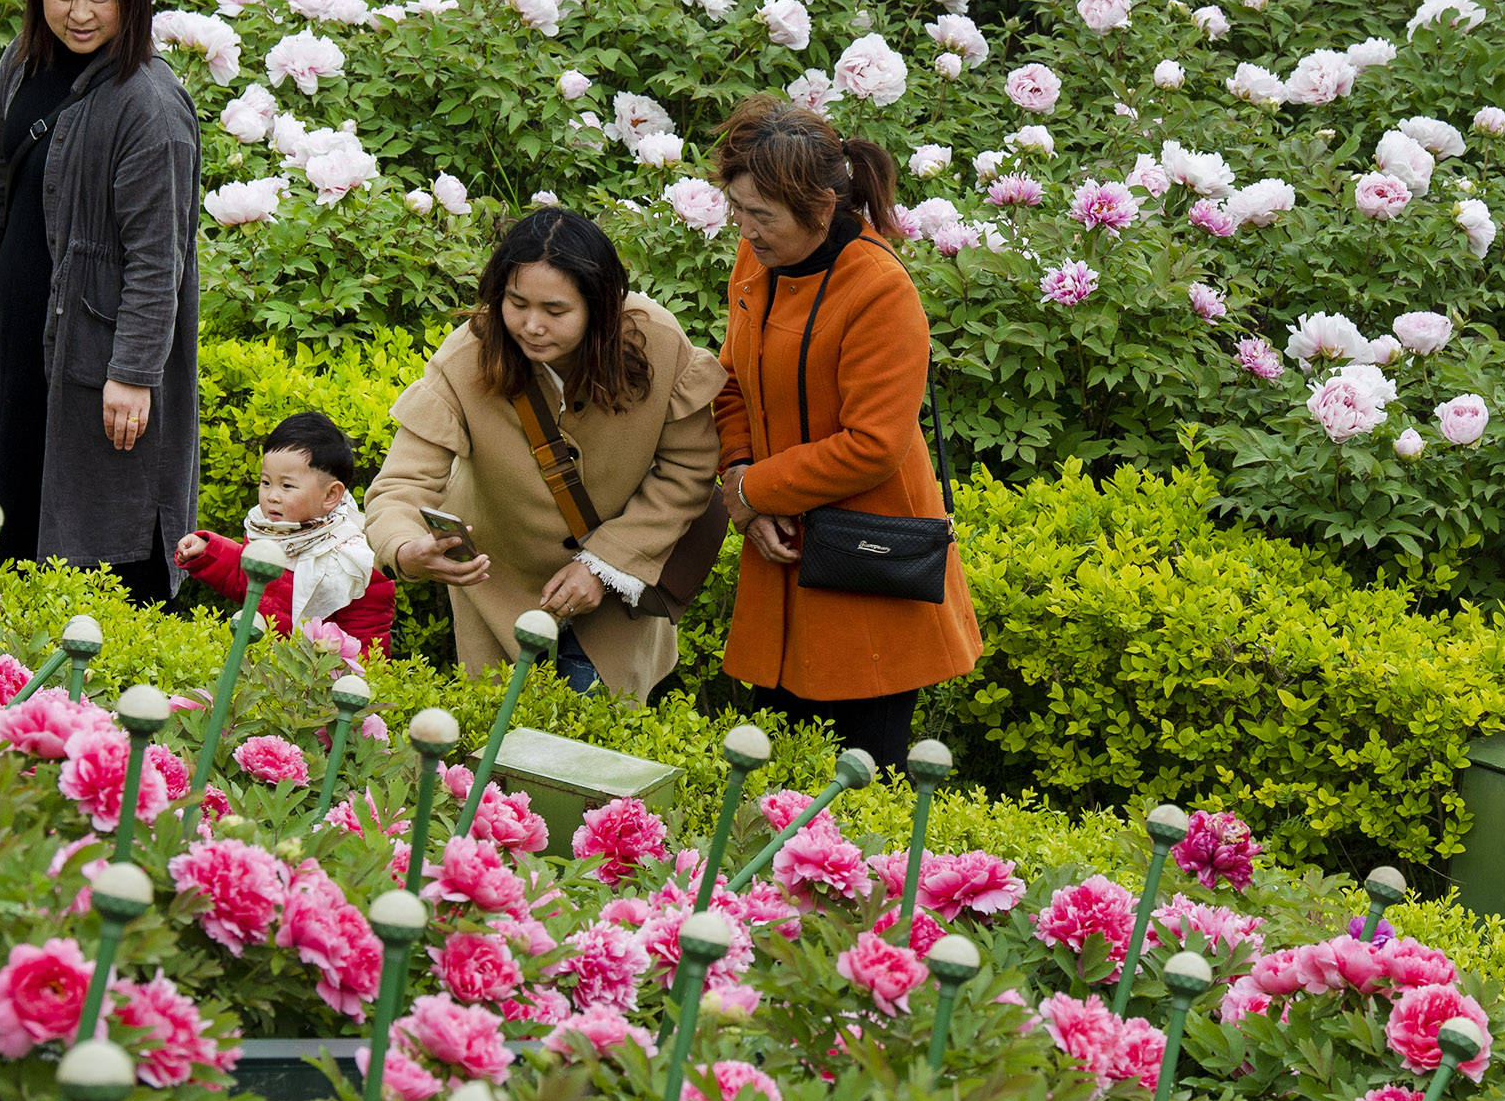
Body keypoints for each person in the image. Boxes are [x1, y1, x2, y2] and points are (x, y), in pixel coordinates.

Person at [709, 96, 980, 770]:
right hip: (784, 555)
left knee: (860, 789)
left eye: (761, 215)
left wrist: (753, 490)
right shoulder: (757, 260)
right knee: (773, 782)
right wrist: (743, 487)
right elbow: (730, 380)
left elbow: (874, 444)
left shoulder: (880, 290)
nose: (745, 229)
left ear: (822, 208)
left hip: (869, 567)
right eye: (738, 209)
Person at [361, 207, 724, 703]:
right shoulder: (466, 357)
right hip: (499, 600)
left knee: (599, 759)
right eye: (516, 303)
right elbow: (400, 485)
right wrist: (406, 547)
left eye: (556, 311)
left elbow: (689, 469)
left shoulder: (655, 343)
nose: (532, 326)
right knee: (500, 760)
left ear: (601, 306)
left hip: (616, 602)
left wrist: (604, 565)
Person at [0, 0, 201, 599]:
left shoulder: (150, 107)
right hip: (27, 335)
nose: (79, 13)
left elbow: (158, 259)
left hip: (100, 355)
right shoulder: (23, 61)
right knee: (18, 499)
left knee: (102, 527)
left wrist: (134, 372)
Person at [176, 412, 397, 654]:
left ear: (331, 495)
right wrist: (208, 550)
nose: (272, 496)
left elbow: (365, 645)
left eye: (287, 486)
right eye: (266, 482)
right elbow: (247, 581)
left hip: (310, 680)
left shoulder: (355, 561)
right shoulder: (269, 530)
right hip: (258, 667)